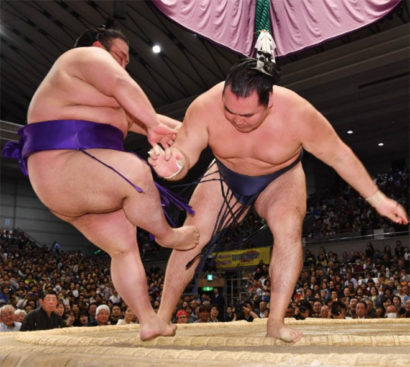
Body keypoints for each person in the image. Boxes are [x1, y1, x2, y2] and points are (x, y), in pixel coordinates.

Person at [149, 37, 408, 342]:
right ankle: (162, 318)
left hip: (281, 177)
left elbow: (338, 155)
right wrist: (173, 167)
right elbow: (185, 154)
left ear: (269, 103)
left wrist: (376, 197)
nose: (235, 120)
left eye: (246, 115)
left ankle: (275, 322)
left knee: (287, 231)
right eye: (229, 110)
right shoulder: (205, 107)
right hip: (226, 174)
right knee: (190, 236)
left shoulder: (299, 114)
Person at [3, 24, 199, 340]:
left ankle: (149, 320)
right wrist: (150, 124)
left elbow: (168, 125)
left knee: (124, 248)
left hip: (83, 183)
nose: (122, 64)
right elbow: (126, 87)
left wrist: (203, 134)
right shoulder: (80, 58)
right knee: (136, 172)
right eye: (119, 55)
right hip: (62, 164)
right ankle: (165, 234)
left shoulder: (114, 103)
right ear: (98, 46)